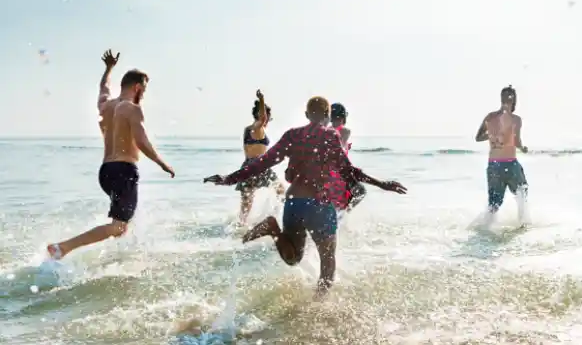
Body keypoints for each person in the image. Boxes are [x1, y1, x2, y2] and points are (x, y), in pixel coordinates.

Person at [204, 97, 406, 295]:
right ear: (327, 115)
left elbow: (263, 162)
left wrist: (229, 178)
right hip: (320, 205)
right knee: (327, 267)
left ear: (307, 114)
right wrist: (382, 184)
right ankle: (317, 310)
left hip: (295, 203)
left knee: (293, 258)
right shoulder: (330, 136)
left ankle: (273, 229)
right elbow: (349, 171)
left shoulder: (292, 135)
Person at [47, 50, 174, 260]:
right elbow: (141, 141)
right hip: (124, 170)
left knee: (123, 225)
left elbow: (103, 87)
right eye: (144, 89)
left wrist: (108, 68)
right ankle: (63, 248)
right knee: (119, 227)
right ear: (137, 87)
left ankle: (117, 260)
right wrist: (162, 163)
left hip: (106, 172)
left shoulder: (105, 106)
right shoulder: (132, 109)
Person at [474, 85, 529, 224]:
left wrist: (492, 135)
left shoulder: (490, 117)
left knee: (494, 204)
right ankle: (523, 224)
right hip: (510, 164)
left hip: (494, 165)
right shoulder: (516, 119)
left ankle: (485, 228)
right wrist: (523, 148)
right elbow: (516, 141)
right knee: (522, 194)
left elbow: (478, 137)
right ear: (514, 100)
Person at [235, 89, 284, 223]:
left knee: (246, 205)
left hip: (247, 167)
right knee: (282, 192)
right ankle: (287, 220)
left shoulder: (249, 129)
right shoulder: (257, 128)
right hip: (259, 166)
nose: (267, 120)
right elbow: (262, 118)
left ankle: (240, 228)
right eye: (268, 117)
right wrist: (262, 99)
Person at [328, 102, 366, 212]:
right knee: (361, 191)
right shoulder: (345, 131)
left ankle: (340, 214)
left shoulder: (326, 131)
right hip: (340, 175)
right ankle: (345, 213)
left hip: (329, 174)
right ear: (344, 116)